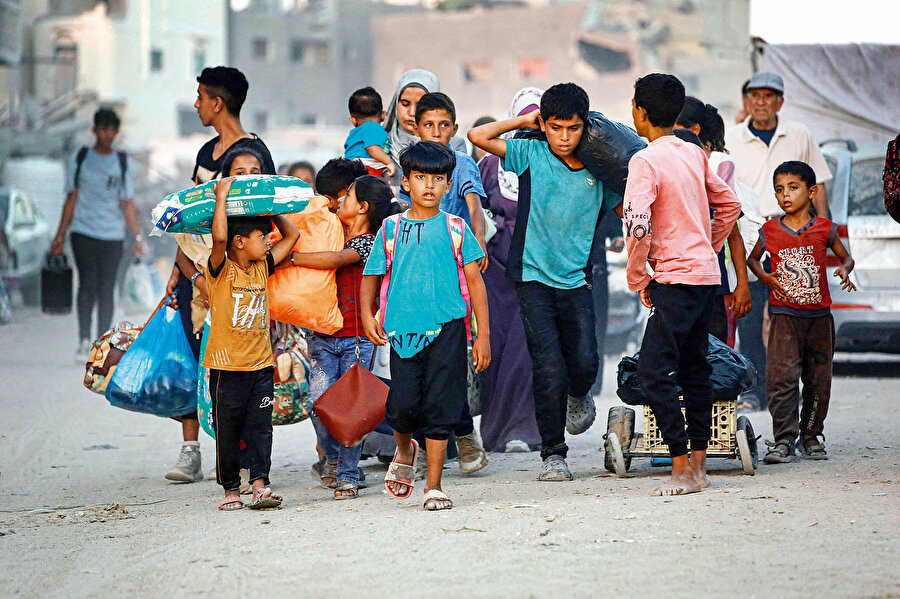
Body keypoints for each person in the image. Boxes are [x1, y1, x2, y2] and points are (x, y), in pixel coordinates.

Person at [468, 83, 622, 482]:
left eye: (573, 129)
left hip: (577, 280)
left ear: (585, 127)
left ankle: (577, 394)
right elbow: (478, 137)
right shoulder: (531, 152)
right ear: (544, 125)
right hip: (532, 277)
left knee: (585, 360)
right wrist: (524, 122)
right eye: (555, 128)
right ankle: (554, 453)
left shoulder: (597, 168)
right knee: (547, 366)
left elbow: (625, 198)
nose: (564, 138)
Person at [624, 73, 741, 497]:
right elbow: (729, 204)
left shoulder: (645, 160)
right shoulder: (693, 153)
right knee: (694, 369)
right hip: (705, 277)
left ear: (639, 110)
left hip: (674, 278)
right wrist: (706, 247)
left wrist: (641, 277)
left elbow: (637, 228)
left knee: (654, 371)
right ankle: (698, 464)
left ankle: (679, 468)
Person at [360, 141, 491, 511]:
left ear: (449, 184)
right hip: (402, 334)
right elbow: (371, 276)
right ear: (406, 182)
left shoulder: (457, 228)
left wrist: (483, 336)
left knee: (440, 409)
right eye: (421, 178)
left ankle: (433, 485)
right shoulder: (389, 228)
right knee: (400, 408)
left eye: (438, 178)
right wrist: (369, 317)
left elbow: (476, 285)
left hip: (448, 330)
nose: (430, 186)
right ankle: (405, 449)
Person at [163, 65, 277, 484]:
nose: (196, 104)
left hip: (239, 285)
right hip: (198, 274)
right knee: (200, 364)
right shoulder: (205, 155)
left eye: (200, 96)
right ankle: (193, 449)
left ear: (217, 101)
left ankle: (244, 461)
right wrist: (182, 271)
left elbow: (265, 223)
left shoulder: (254, 156)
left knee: (240, 373)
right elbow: (190, 222)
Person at [725, 71, 833, 411]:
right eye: (754, 95)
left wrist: (823, 235)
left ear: (780, 102)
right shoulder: (732, 138)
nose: (761, 102)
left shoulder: (798, 134)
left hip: (795, 236)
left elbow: (820, 188)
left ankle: (793, 394)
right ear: (746, 101)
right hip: (750, 237)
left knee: (794, 320)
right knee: (752, 317)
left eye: (768, 96)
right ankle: (755, 390)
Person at [281, 175, 393, 499]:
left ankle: (347, 475)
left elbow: (333, 260)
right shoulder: (332, 234)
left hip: (357, 337)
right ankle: (333, 460)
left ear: (363, 208)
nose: (339, 201)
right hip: (323, 336)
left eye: (347, 197)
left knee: (351, 409)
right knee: (317, 402)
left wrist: (292, 259)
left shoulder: (369, 242)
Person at [747, 161, 855, 464]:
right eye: (779, 190)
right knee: (782, 377)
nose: (785, 196)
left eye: (793, 188)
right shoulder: (769, 230)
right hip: (784, 316)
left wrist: (845, 272)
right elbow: (753, 260)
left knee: (818, 378)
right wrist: (765, 277)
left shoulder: (824, 228)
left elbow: (847, 258)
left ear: (812, 191)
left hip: (819, 318)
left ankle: (811, 435)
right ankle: (783, 439)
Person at [205, 169, 299, 511]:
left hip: (261, 364)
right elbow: (218, 240)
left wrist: (269, 209)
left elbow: (294, 235)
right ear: (240, 242)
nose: (268, 241)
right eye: (262, 235)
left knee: (260, 427)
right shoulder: (219, 268)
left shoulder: (262, 266)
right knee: (228, 429)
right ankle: (231, 488)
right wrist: (221, 197)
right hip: (227, 367)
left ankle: (259, 485)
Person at [408, 91, 490, 472]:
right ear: (415, 127)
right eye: (429, 125)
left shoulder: (460, 164)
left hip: (452, 273)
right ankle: (435, 441)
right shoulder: (408, 166)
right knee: (419, 365)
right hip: (415, 280)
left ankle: (461, 436)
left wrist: (479, 242)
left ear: (454, 129)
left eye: (444, 126)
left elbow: (473, 204)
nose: (437, 132)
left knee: (449, 365)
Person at [475, 88, 543, 453]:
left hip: (535, 263)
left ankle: (525, 428)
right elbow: (479, 212)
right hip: (495, 268)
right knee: (497, 348)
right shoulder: (489, 164)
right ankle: (495, 430)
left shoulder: (550, 160)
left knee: (527, 348)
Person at [50, 107, 144, 362]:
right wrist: (59, 237)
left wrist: (137, 238)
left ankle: (100, 343)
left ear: (116, 132)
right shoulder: (80, 158)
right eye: (102, 128)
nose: (107, 134)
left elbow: (128, 203)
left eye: (111, 129)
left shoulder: (123, 163)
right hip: (83, 232)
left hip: (113, 236)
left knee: (107, 289)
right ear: (94, 130)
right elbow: (71, 198)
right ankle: (83, 340)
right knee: (87, 285)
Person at [675, 97, 752, 345]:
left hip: (713, 286)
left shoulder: (716, 169)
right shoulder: (666, 172)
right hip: (676, 286)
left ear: (693, 130)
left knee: (713, 357)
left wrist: (742, 284)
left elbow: (733, 231)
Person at [382, 69, 467, 174]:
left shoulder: (454, 145)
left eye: (419, 105)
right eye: (405, 104)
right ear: (396, 104)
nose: (412, 112)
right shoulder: (379, 143)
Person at [344, 87, 396, 177]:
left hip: (351, 169)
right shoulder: (373, 127)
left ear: (353, 120)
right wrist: (389, 162)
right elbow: (372, 147)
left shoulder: (354, 133)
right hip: (368, 169)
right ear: (384, 115)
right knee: (392, 190)